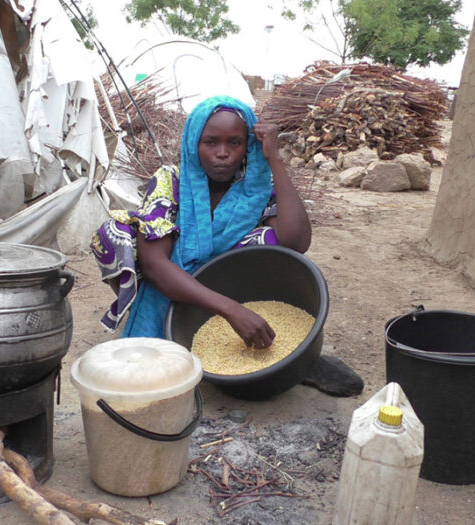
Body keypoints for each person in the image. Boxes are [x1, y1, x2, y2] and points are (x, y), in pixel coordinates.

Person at [90, 94, 363, 397]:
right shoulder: (171, 181)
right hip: (175, 288)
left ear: (248, 146)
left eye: (235, 143)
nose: (223, 153)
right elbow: (155, 265)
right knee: (113, 233)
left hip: (228, 287)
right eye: (211, 142)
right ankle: (172, 327)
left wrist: (274, 159)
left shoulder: (254, 190)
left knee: (269, 243)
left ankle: (286, 360)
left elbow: (297, 241)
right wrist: (231, 311)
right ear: (195, 143)